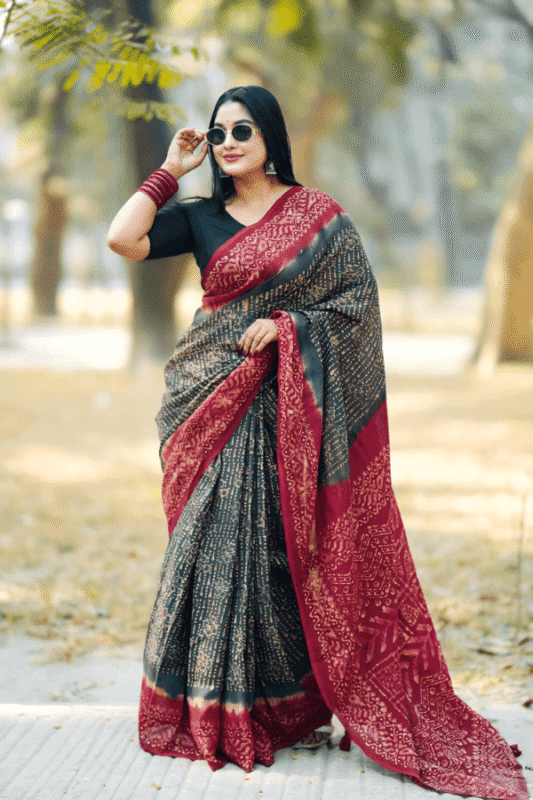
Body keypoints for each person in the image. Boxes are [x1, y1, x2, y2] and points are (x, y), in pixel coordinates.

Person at [107, 85, 527, 799]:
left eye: (243, 130)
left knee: (278, 548)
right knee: (208, 547)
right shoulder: (200, 215)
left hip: (287, 406)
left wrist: (288, 327)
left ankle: (287, 710)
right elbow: (123, 239)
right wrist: (170, 171)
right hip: (207, 398)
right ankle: (212, 704)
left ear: (270, 135)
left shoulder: (318, 218)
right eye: (219, 132)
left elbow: (355, 304)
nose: (228, 142)